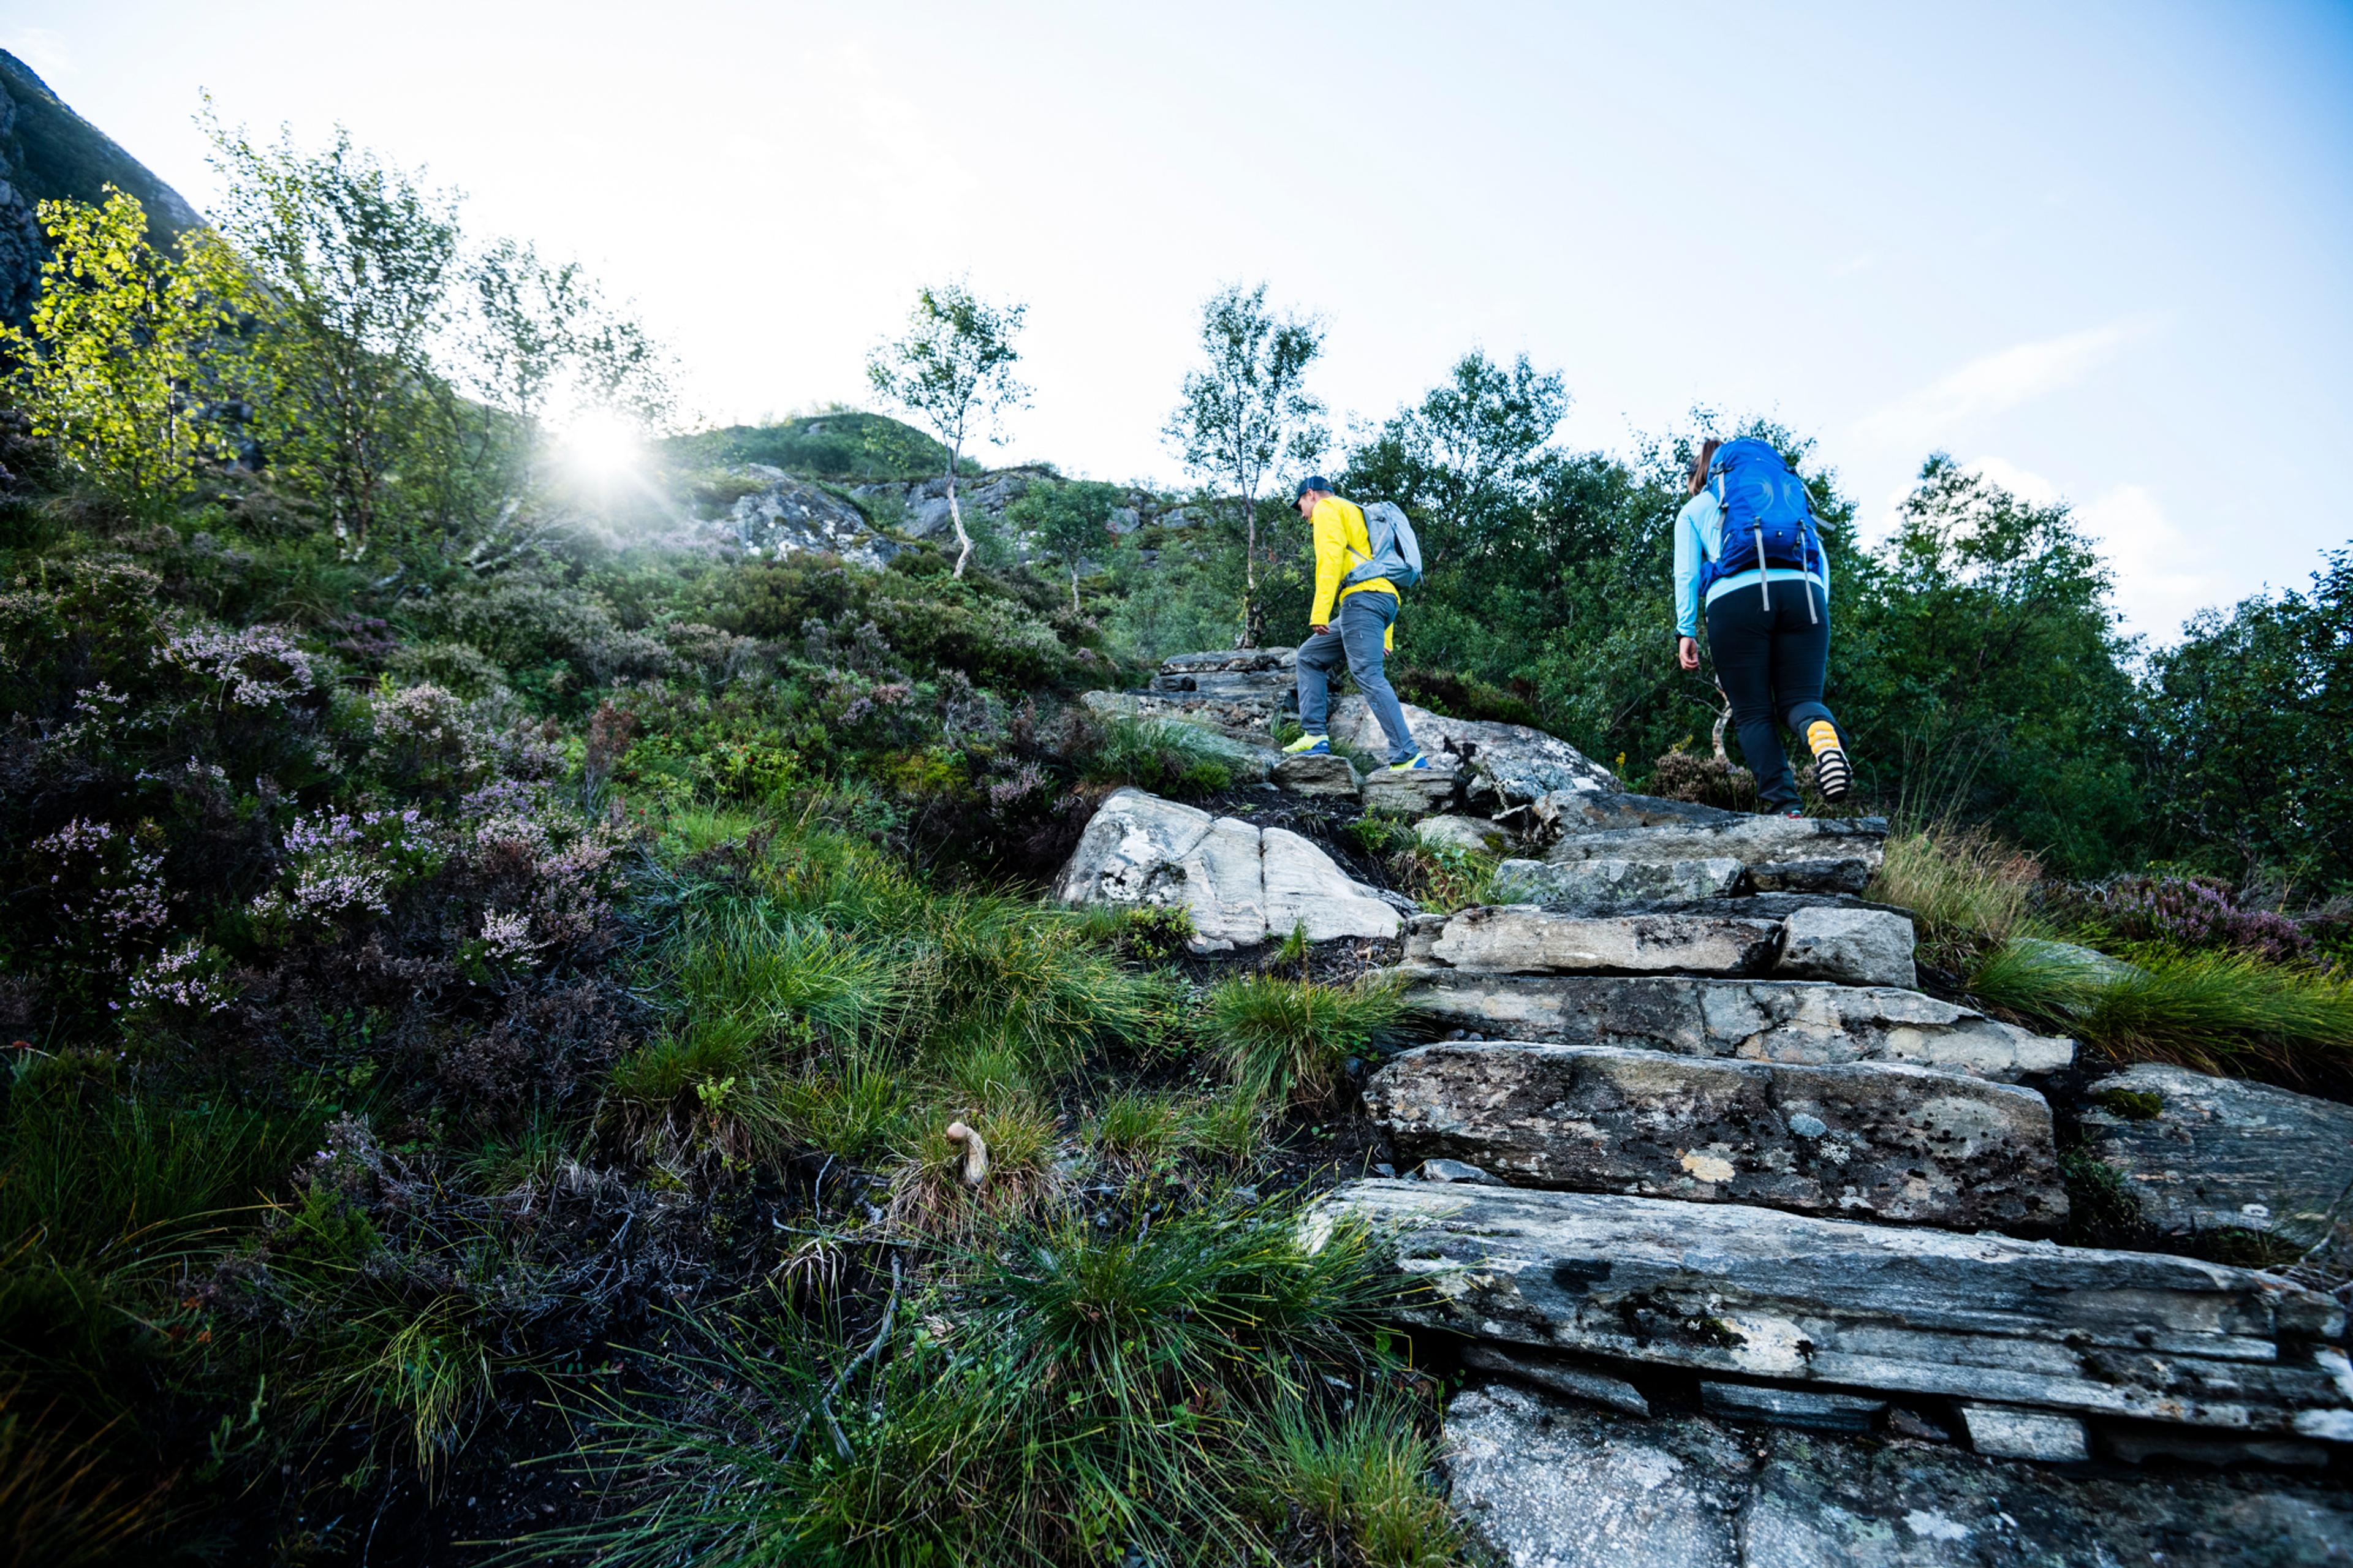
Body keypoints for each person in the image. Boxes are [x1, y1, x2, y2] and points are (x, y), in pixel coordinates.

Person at [1672, 437, 1854, 813]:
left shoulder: (1698, 507)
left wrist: (1686, 631)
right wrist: (1816, 613)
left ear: (1701, 474)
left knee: (1753, 712)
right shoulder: (1786, 500)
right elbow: (1820, 560)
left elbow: (1686, 573)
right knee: (1802, 701)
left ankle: (1786, 808)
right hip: (1806, 595)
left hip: (1736, 600)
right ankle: (1824, 742)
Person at [1282, 477, 1431, 771]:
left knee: (1368, 674)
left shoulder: (1327, 509)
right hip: (1380, 601)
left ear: (1310, 495)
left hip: (1361, 603)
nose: (1302, 514)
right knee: (1310, 657)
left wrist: (1320, 612)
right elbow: (1380, 570)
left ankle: (1407, 755)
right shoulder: (1359, 514)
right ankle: (1315, 736)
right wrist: (1387, 636)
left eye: (1300, 505)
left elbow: (1330, 559)